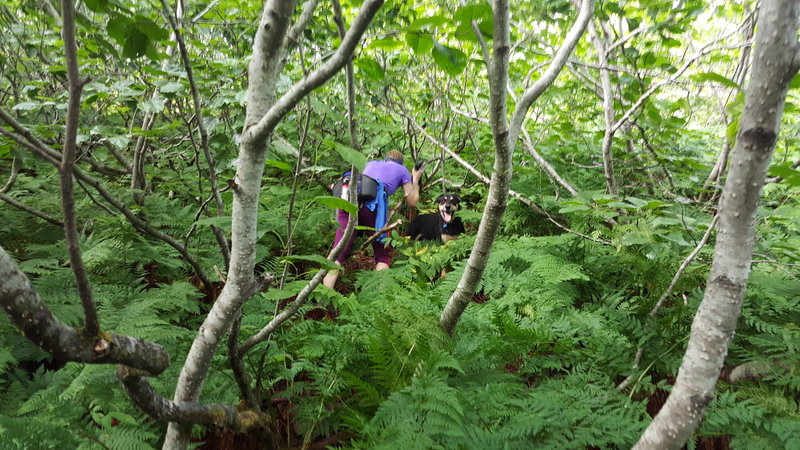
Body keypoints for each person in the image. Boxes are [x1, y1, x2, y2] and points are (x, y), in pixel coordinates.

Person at [323, 150, 422, 289]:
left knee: (337, 253)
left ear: (385, 158)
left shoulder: (370, 163)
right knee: (382, 255)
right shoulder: (402, 169)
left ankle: (323, 297)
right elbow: (412, 201)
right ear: (400, 161)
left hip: (347, 201)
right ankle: (381, 299)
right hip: (372, 207)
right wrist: (415, 178)